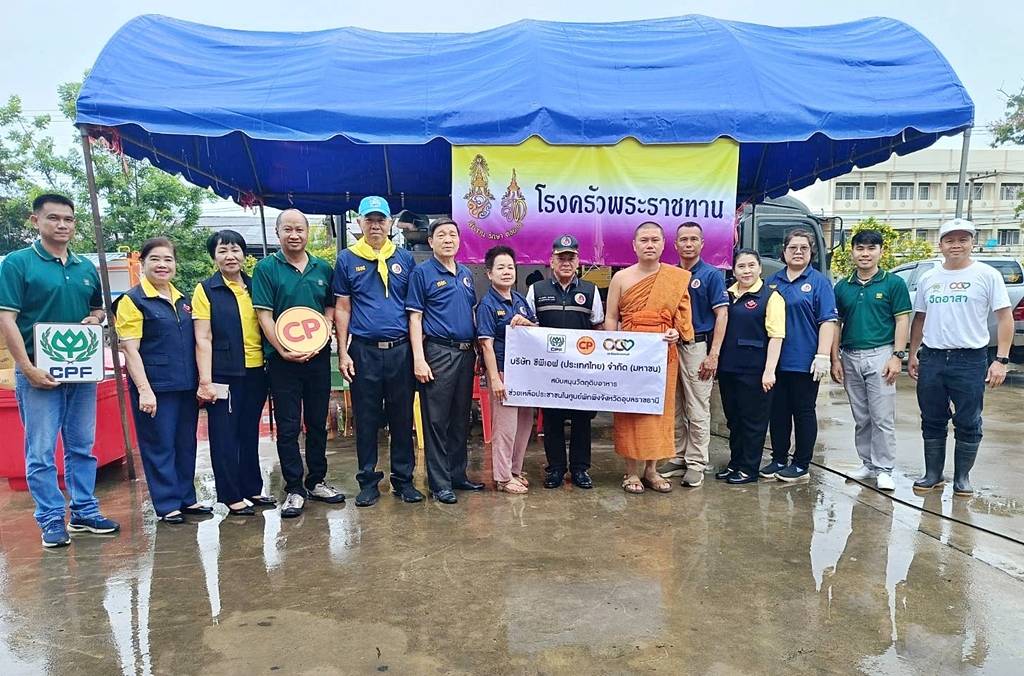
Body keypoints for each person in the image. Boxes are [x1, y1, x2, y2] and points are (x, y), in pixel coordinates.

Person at [0, 194, 120, 548]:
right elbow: (7, 319)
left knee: (82, 446)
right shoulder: (18, 264)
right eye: (53, 218)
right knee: (40, 450)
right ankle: (51, 518)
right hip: (38, 374)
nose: (62, 225)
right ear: (35, 221)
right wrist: (27, 368)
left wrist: (94, 319)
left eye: (68, 219)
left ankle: (84, 511)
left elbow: (98, 309)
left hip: (81, 372)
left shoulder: (85, 267)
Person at [908, 218, 1012, 497]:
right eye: (950, 240)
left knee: (968, 419)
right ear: (940, 244)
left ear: (972, 243)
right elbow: (920, 319)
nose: (956, 245)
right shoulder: (929, 278)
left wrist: (1001, 360)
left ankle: (962, 477)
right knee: (932, 417)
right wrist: (912, 353)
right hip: (933, 357)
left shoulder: (987, 275)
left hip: (970, 359)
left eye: (962, 239)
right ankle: (933, 474)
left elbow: (1005, 318)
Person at [252, 209, 343, 518]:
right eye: (288, 229)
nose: (294, 235)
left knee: (318, 422)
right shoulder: (266, 268)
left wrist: (324, 330)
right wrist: (282, 349)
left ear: (306, 232)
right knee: (289, 426)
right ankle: (294, 488)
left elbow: (330, 307)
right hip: (283, 362)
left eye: (299, 229)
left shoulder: (323, 268)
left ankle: (316, 480)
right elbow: (264, 316)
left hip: (318, 358)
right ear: (278, 233)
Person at [334, 196, 423, 507]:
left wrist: (417, 354)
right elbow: (342, 308)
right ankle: (368, 481)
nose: (375, 225)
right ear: (360, 223)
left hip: (400, 350)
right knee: (366, 418)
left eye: (381, 220)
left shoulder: (405, 259)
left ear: (390, 224)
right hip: (363, 351)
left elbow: (414, 310)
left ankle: (403, 480)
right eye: (369, 220)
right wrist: (343, 352)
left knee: (402, 417)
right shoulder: (347, 259)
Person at [115, 237, 205, 524]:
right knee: (159, 445)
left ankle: (186, 498)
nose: (162, 265)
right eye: (155, 259)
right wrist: (144, 390)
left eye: (168, 259)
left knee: (185, 443)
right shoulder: (132, 300)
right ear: (143, 263)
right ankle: (167, 504)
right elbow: (130, 349)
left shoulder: (183, 301)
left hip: (185, 384)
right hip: (155, 387)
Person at [605, 222, 693, 494]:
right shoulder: (621, 278)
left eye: (655, 239)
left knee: (658, 412)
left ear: (664, 244)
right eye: (644, 240)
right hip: (629, 354)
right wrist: (613, 351)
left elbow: (683, 321)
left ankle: (652, 470)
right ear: (634, 245)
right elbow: (611, 318)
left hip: (662, 354)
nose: (650, 244)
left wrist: (675, 332)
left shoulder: (675, 278)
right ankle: (631, 471)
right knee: (631, 411)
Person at [192, 230, 274, 517]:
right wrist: (205, 380)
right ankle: (230, 495)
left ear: (244, 254)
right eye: (222, 251)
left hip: (256, 371)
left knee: (249, 432)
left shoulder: (254, 286)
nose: (230, 256)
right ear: (214, 257)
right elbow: (203, 337)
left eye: (235, 250)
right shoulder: (206, 290)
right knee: (224, 435)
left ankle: (252, 487)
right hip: (223, 374)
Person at [406, 217, 482, 504]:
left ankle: (457, 474)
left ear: (459, 241)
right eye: (441, 235)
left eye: (452, 234)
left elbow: (471, 313)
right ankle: (439, 483)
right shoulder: (422, 273)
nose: (448, 239)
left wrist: (477, 351)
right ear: (431, 241)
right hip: (438, 352)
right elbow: (415, 318)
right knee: (436, 421)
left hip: (466, 353)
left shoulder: (465, 274)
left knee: (460, 418)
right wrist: (419, 358)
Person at [829, 230, 912, 492]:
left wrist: (897, 356)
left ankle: (884, 469)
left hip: (881, 355)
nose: (865, 254)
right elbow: (836, 323)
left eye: (871, 248)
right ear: (852, 252)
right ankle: (867, 464)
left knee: (882, 417)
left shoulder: (893, 283)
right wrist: (835, 358)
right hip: (850, 355)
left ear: (880, 252)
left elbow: (902, 320)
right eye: (860, 248)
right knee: (861, 416)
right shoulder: (842, 286)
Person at [525, 234, 605, 490]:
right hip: (549, 370)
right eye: (561, 258)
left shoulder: (590, 290)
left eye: (571, 258)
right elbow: (529, 327)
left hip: (582, 369)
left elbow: (599, 328)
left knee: (582, 419)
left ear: (578, 262)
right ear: (552, 261)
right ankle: (556, 469)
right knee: (552, 419)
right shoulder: (536, 290)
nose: (566, 262)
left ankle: (580, 469)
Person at [760, 229, 838, 483]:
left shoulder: (819, 282)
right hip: (775, 361)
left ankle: (801, 463)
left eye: (804, 248)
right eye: (792, 247)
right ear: (783, 251)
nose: (798, 252)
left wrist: (823, 355)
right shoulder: (772, 281)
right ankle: (778, 458)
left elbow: (828, 320)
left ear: (811, 252)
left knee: (803, 412)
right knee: (778, 412)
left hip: (804, 361)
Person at [657, 222, 729, 487]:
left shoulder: (711, 275)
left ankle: (697, 462)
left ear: (702, 244)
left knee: (697, 407)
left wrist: (714, 354)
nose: (688, 244)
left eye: (693, 239)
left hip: (697, 347)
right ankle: (678, 456)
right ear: (675, 245)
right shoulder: (669, 275)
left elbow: (722, 314)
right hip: (670, 345)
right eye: (683, 239)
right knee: (673, 405)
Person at [716, 249, 786, 484]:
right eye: (741, 266)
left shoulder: (770, 297)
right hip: (729, 368)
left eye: (751, 266)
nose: (746, 271)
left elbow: (776, 336)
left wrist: (769, 371)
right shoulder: (727, 295)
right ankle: (735, 463)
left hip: (756, 370)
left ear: (759, 268)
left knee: (753, 421)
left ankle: (749, 468)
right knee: (734, 419)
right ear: (734, 270)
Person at [476, 245, 538, 494]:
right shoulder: (487, 305)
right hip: (502, 371)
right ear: (489, 273)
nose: (506, 272)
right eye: (500, 267)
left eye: (510, 267)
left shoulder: (521, 300)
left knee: (524, 423)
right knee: (505, 426)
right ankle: (502, 477)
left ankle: (515, 469)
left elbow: (537, 332)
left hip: (524, 373)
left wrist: (528, 324)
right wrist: (495, 379)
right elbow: (486, 345)